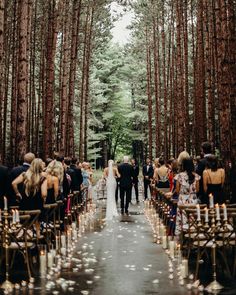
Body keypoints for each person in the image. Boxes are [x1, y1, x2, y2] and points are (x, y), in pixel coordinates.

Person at [175, 158, 200, 237]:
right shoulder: (196, 176)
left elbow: (177, 190)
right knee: (192, 219)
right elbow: (198, 189)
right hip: (193, 200)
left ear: (184, 166)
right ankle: (192, 235)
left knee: (182, 218)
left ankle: (182, 236)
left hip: (182, 200)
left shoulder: (179, 176)